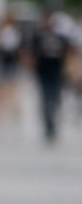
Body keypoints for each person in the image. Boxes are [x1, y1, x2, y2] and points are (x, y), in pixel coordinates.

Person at [28, 10, 71, 144]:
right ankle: (48, 125)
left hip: (57, 72)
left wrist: (68, 69)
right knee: (45, 98)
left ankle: (53, 121)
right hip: (43, 72)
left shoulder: (61, 38)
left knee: (56, 98)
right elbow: (32, 54)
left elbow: (67, 53)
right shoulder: (38, 37)